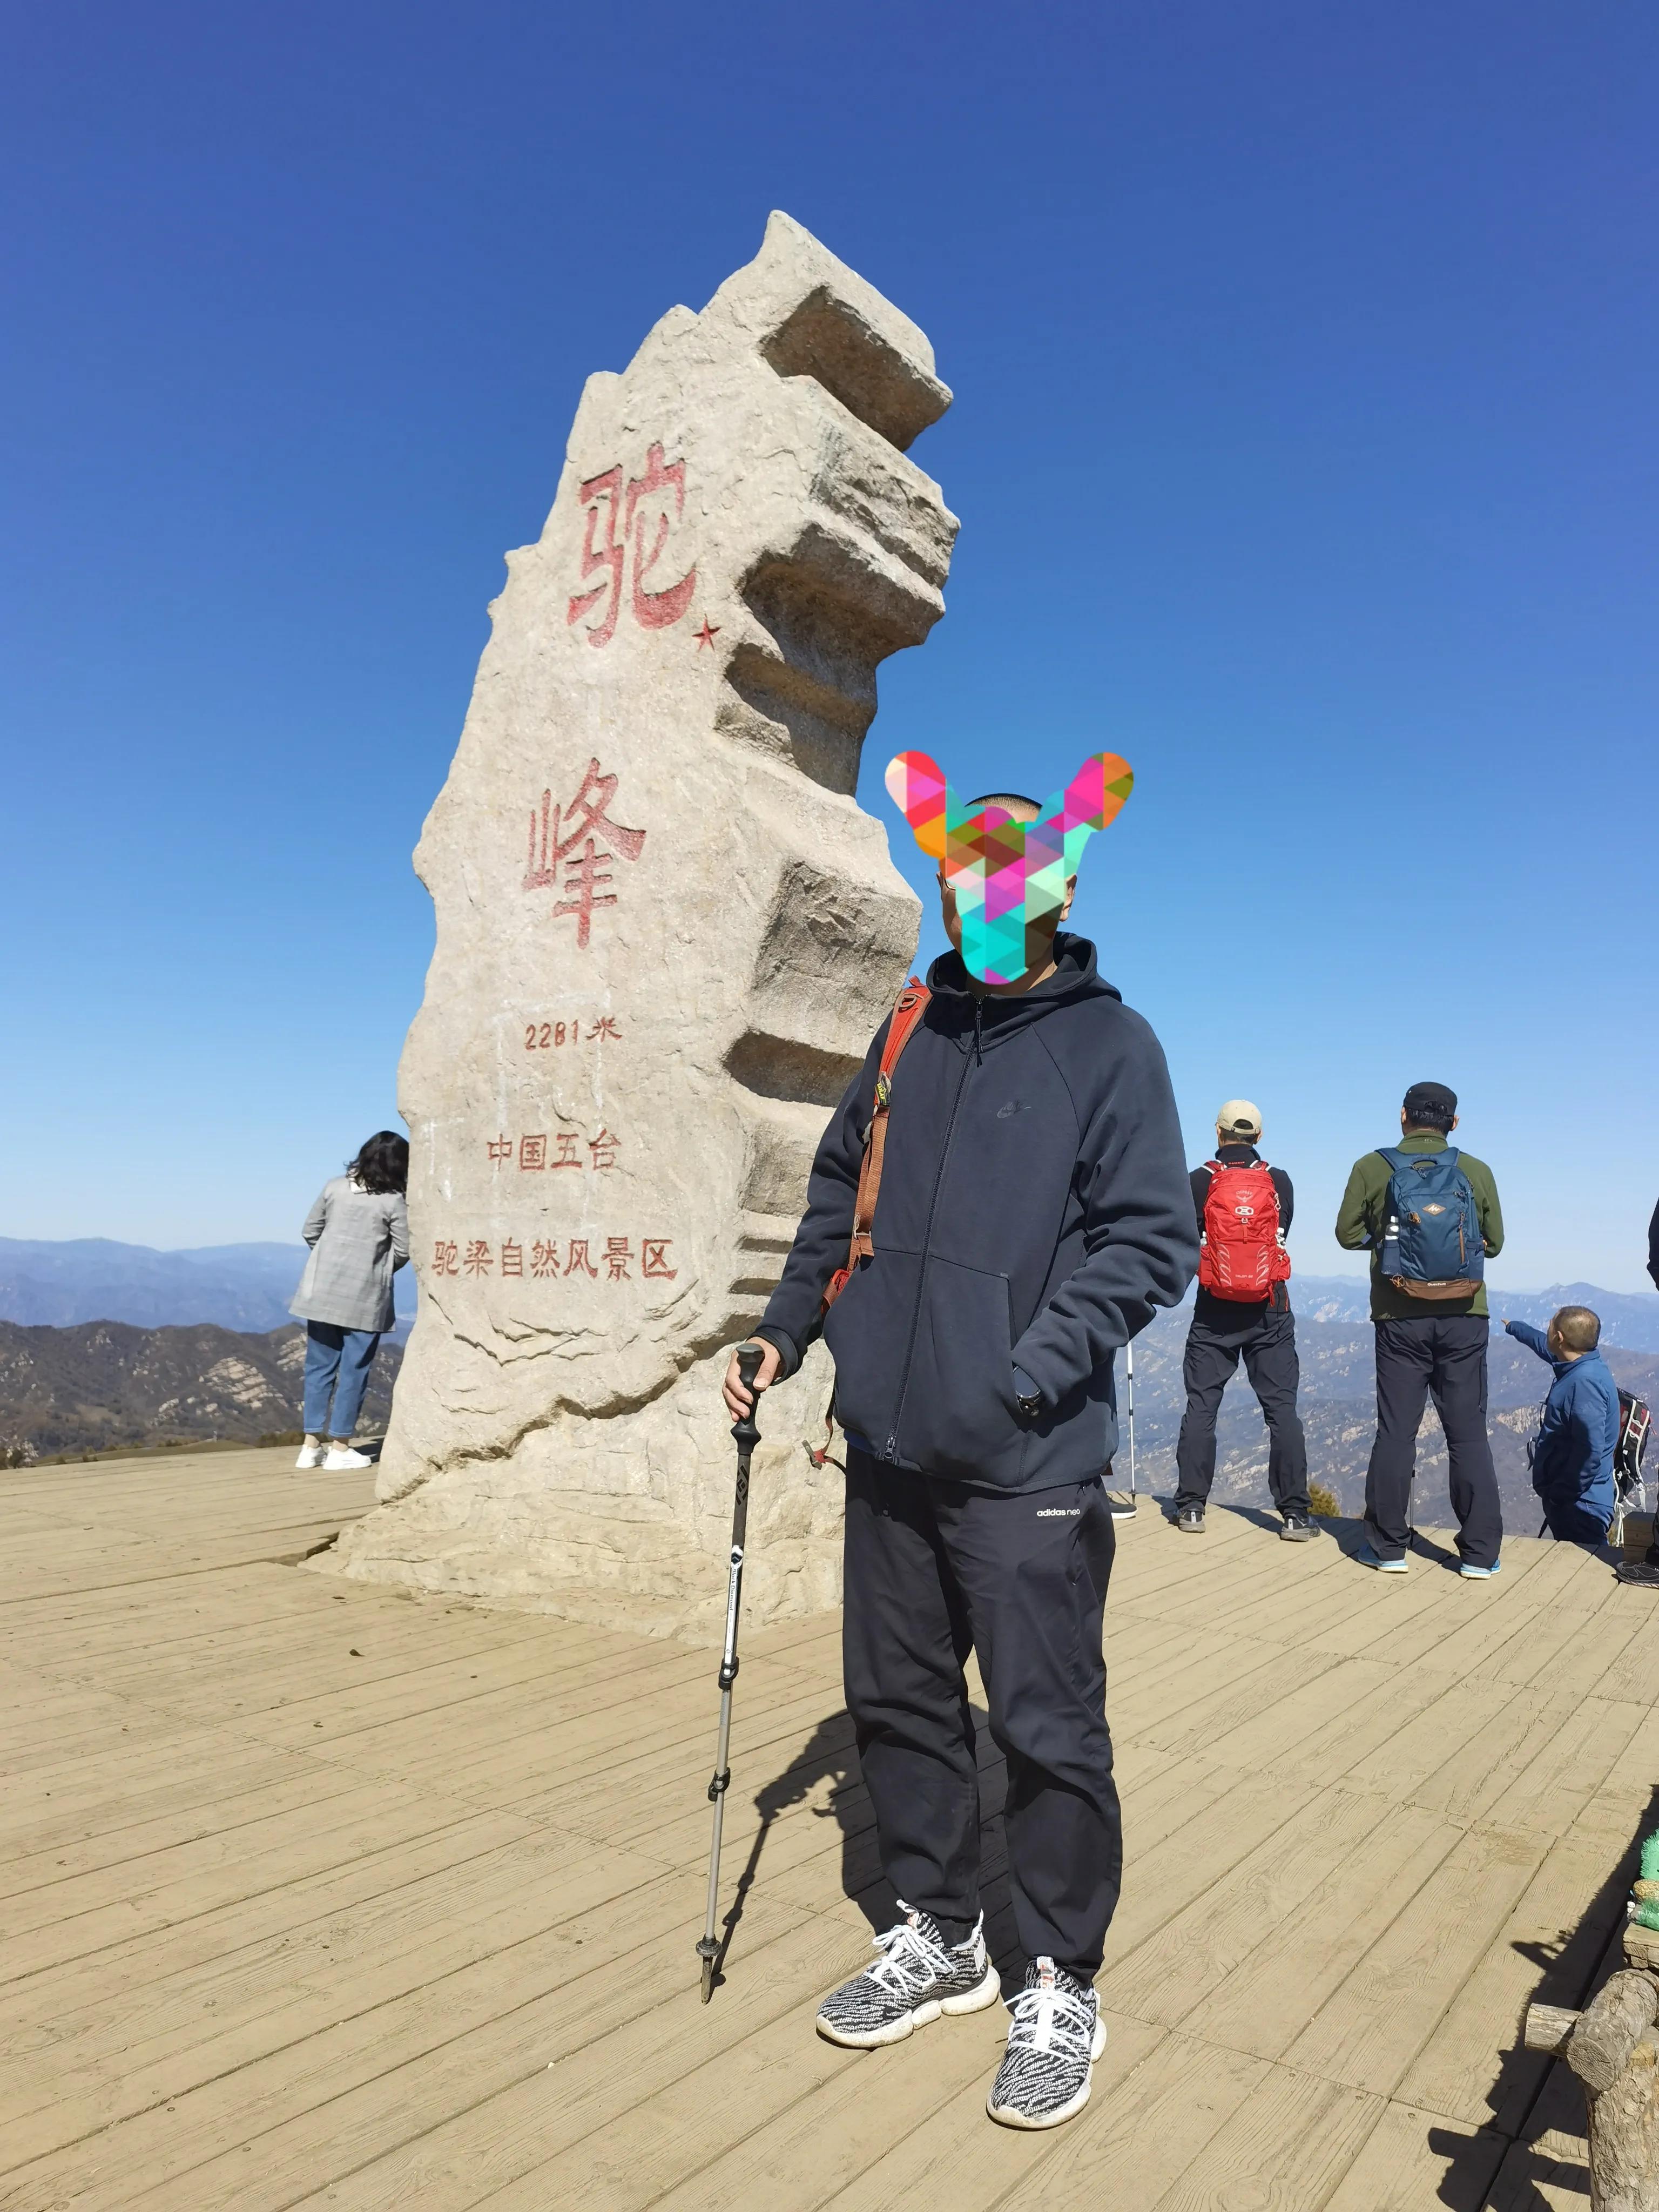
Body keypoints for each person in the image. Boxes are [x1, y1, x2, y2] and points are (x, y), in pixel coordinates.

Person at [723, 785, 1197, 2132]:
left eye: (1004, 880)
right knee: (896, 1700)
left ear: (1052, 894)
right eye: (958, 879)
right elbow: (833, 1201)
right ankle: (938, 1932)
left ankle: (1056, 1976)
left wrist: (1026, 1369)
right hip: (882, 1446)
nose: (975, 901)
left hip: (1026, 1463)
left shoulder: (1110, 1046)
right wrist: (785, 1338)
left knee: (1046, 1733)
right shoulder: (904, 1032)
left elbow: (1144, 1240)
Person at [1334, 1082, 1505, 1577]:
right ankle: (1479, 1555)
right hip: (1465, 1316)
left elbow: (1346, 1234)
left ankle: (1388, 1548)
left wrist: (1390, 1243)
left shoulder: (1373, 1166)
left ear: (1403, 1117)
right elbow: (1493, 1244)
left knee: (1396, 1433)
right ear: (1453, 1122)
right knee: (1468, 1435)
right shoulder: (1475, 1170)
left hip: (1398, 1315)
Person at [1172, 1100, 1314, 1541]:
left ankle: (1192, 1507)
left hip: (1214, 1307)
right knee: (1282, 1413)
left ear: (1218, 1134)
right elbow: (1281, 1232)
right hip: (1270, 1307)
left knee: (1202, 1407)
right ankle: (1294, 1515)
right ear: (1259, 1137)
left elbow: (1182, 1238)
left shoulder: (1199, 1181)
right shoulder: (1279, 1181)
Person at [289, 1131, 409, 1470]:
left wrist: (330, 1260)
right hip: (364, 1298)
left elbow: (310, 1231)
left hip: (320, 1292)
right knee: (354, 1371)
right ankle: (340, 1448)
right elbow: (403, 1250)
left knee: (318, 1368)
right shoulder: (392, 1201)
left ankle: (310, 1447)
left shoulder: (334, 1187)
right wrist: (378, 1268)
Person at [1502, 1306, 1618, 1546]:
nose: (1546, 1332)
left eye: (1550, 1327)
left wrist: (1561, 1494)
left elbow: (1590, 1450)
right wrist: (1514, 1327)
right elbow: (1542, 1346)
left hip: (1581, 1506)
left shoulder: (1585, 1385)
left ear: (1559, 1337)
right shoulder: (1582, 1363)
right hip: (1579, 1500)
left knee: (1587, 1571)